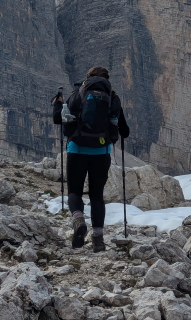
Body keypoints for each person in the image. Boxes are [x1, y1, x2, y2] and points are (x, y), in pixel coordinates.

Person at [59, 66, 129, 252]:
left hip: (77, 149)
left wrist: (58, 104)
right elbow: (125, 131)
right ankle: (98, 240)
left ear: (87, 78)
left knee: (74, 190)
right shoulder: (113, 98)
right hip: (101, 151)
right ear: (107, 79)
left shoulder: (78, 93)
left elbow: (62, 119)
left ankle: (78, 220)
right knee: (97, 195)